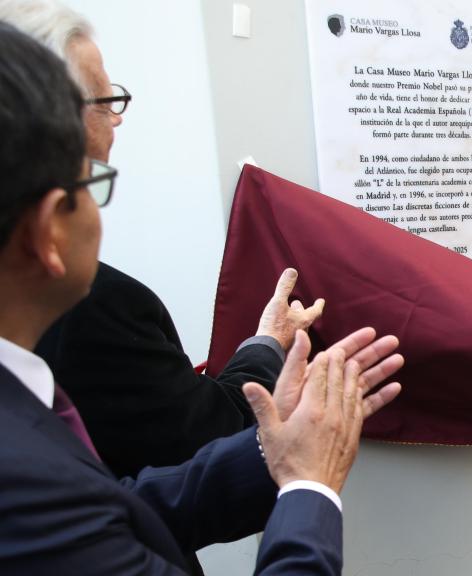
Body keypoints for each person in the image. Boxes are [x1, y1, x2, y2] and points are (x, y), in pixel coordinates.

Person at [0, 21, 403, 573]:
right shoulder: (21, 481)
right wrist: (310, 487)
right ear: (47, 230)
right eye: (92, 182)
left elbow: (117, 506)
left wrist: (271, 450)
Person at [0, 0, 323, 478]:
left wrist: (266, 342)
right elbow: (198, 446)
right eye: (91, 185)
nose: (118, 118)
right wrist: (310, 486)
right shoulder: (99, 308)